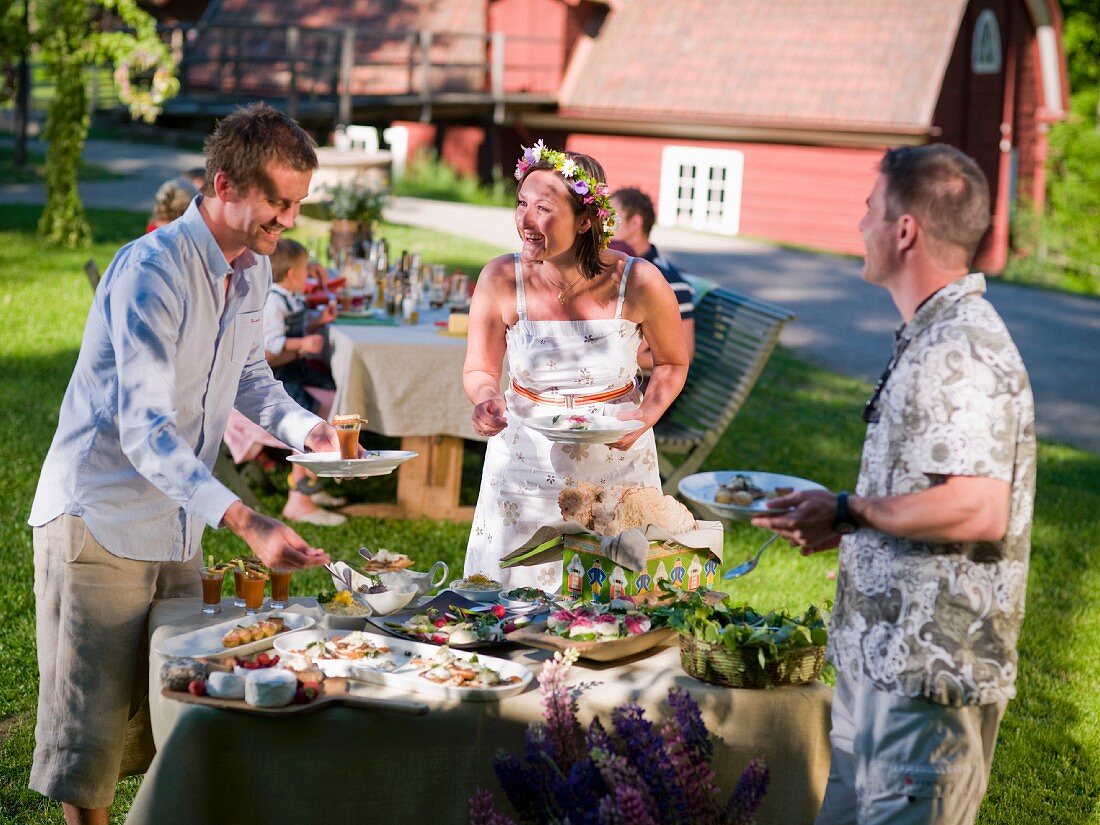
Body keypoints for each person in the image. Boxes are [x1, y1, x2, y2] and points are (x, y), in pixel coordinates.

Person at [28, 102, 338, 825]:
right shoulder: (152, 272)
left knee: (178, 712)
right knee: (92, 748)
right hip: (100, 518)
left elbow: (252, 378)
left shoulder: (253, 270)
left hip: (176, 522)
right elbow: (144, 430)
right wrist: (247, 517)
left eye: (297, 204)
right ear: (226, 183)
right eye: (279, 202)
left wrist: (307, 430)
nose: (288, 220)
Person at [753, 144, 1036, 825]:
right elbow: (927, 491)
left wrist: (849, 507)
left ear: (904, 229)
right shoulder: (929, 331)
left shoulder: (961, 347)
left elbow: (978, 505)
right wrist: (847, 522)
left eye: (870, 209)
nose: (860, 225)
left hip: (927, 679)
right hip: (879, 664)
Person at [462, 142, 689, 590]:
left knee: (613, 603)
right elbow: (480, 370)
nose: (525, 221)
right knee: (509, 603)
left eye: (543, 208)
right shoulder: (500, 278)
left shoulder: (639, 281)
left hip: (616, 465)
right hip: (523, 460)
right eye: (522, 203)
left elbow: (672, 363)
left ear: (586, 220)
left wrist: (645, 418)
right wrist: (486, 399)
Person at [263, 237, 345, 526]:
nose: (309, 274)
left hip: (294, 367)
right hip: (279, 375)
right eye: (304, 270)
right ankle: (300, 497)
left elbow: (293, 327)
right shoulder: (273, 301)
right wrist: (301, 344)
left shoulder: (290, 296)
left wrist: (317, 322)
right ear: (291, 275)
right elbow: (272, 343)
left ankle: (314, 481)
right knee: (308, 415)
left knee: (336, 391)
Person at [610, 187, 695, 370]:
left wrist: (619, 363)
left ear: (635, 223)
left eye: (611, 219)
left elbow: (685, 354)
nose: (603, 226)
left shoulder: (669, 281)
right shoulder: (613, 266)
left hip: (642, 381)